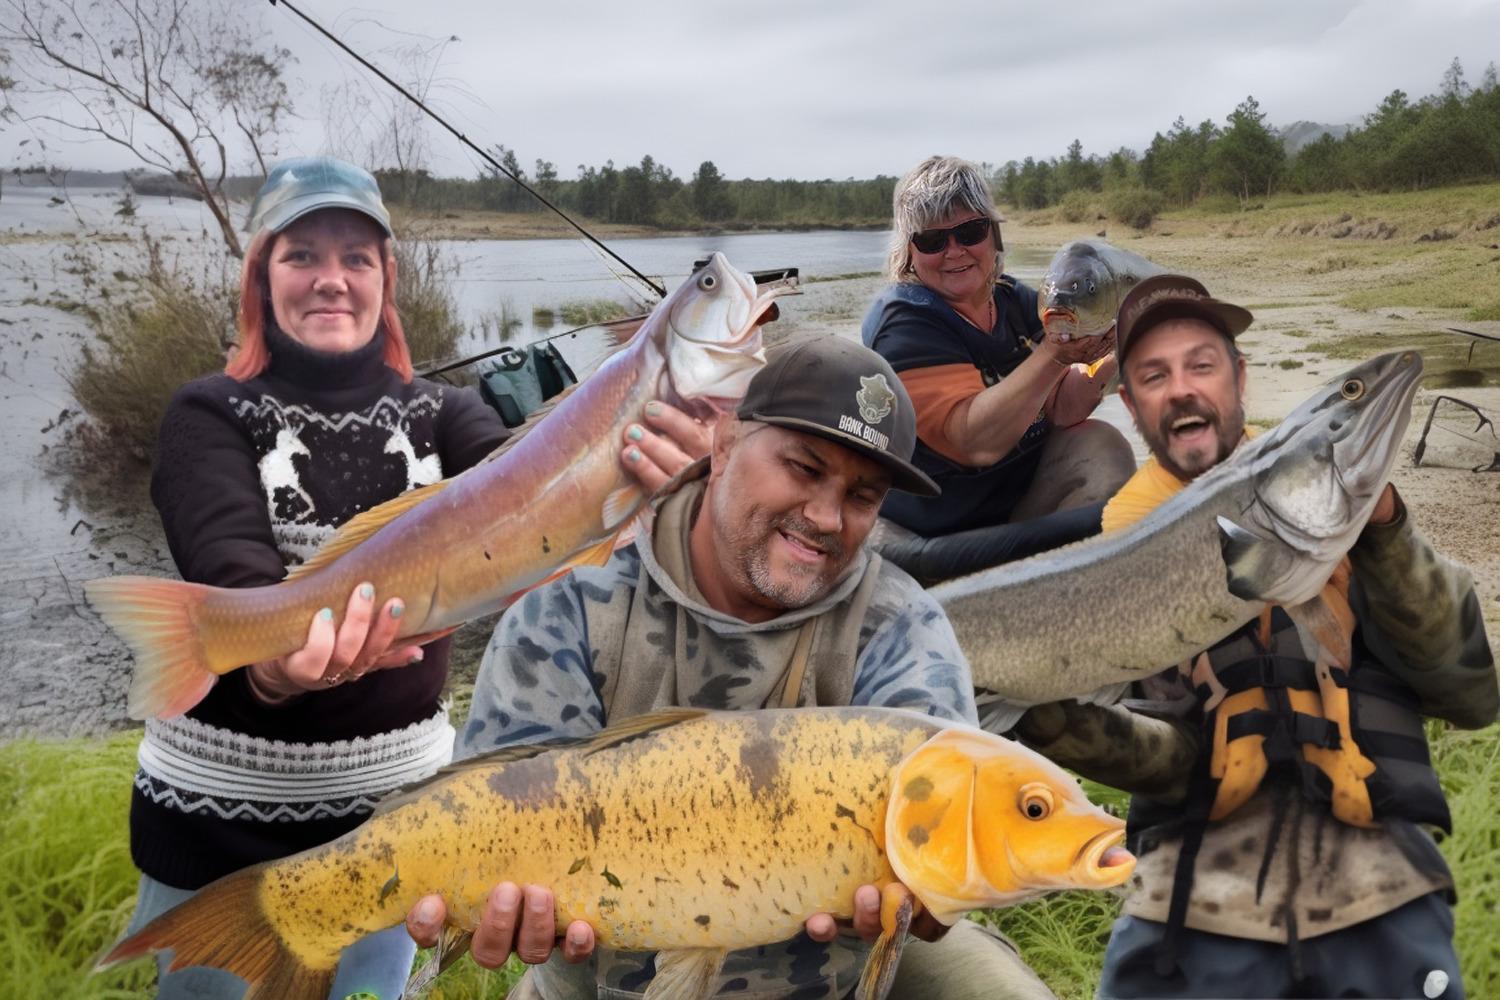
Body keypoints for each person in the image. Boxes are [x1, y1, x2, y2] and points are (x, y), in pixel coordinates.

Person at [406, 337, 1057, 1000]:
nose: (827, 516)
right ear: (722, 448)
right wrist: (489, 901)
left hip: (835, 972)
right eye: (804, 468)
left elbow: (955, 840)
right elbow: (488, 812)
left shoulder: (901, 626)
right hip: (603, 972)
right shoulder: (577, 605)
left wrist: (937, 897)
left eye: (863, 496)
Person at [1012, 275, 1497, 999]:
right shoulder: (1129, 541)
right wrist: (1033, 711)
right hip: (1188, 908)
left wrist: (1387, 535)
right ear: (1130, 402)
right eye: (1154, 374)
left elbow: (1471, 691)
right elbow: (1172, 760)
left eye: (1201, 364)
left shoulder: (1332, 494)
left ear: (1239, 377)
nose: (1181, 389)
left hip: (1384, 895)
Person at [860, 155, 1135, 584]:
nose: (955, 252)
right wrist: (1055, 354)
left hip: (1013, 499)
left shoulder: (1012, 300)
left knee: (1100, 443)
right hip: (937, 530)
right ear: (910, 252)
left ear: (994, 234)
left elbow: (1064, 409)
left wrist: (1116, 347)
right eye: (933, 240)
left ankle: (1074, 591)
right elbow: (973, 441)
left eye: (970, 232)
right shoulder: (904, 322)